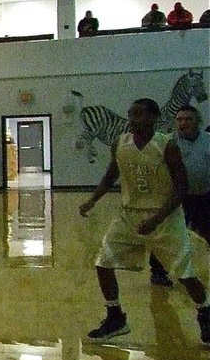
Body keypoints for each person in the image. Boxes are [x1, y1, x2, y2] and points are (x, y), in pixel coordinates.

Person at [78, 98, 210, 344]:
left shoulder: (166, 145)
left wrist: (157, 219)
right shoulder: (120, 143)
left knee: (185, 274)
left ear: (153, 118)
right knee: (103, 263)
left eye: (138, 114)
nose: (132, 119)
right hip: (128, 215)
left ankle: (205, 312)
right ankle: (115, 316)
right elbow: (109, 177)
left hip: (165, 217)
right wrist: (92, 200)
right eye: (130, 114)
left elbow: (182, 187)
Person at [146, 105, 210, 297]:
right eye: (179, 120)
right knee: (166, 235)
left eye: (188, 119)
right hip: (177, 198)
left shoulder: (208, 141)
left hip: (205, 196)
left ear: (198, 121)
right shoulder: (168, 143)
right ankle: (158, 272)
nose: (183, 123)